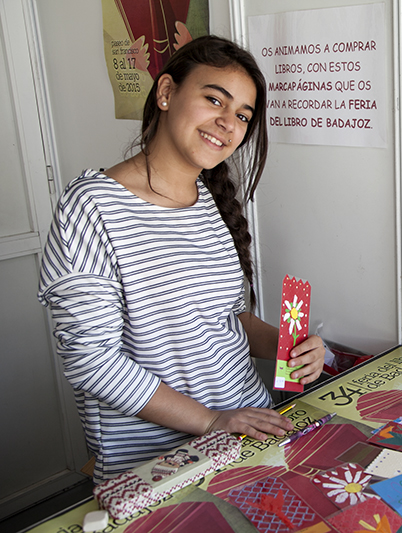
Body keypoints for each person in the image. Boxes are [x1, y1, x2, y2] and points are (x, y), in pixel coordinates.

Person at [37, 35, 325, 483]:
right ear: (167, 92)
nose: (228, 123)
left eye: (243, 115)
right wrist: (211, 421)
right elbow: (93, 361)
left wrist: (292, 345)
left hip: (250, 430)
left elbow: (228, 320)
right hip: (160, 463)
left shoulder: (209, 200)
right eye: (214, 99)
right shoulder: (91, 207)